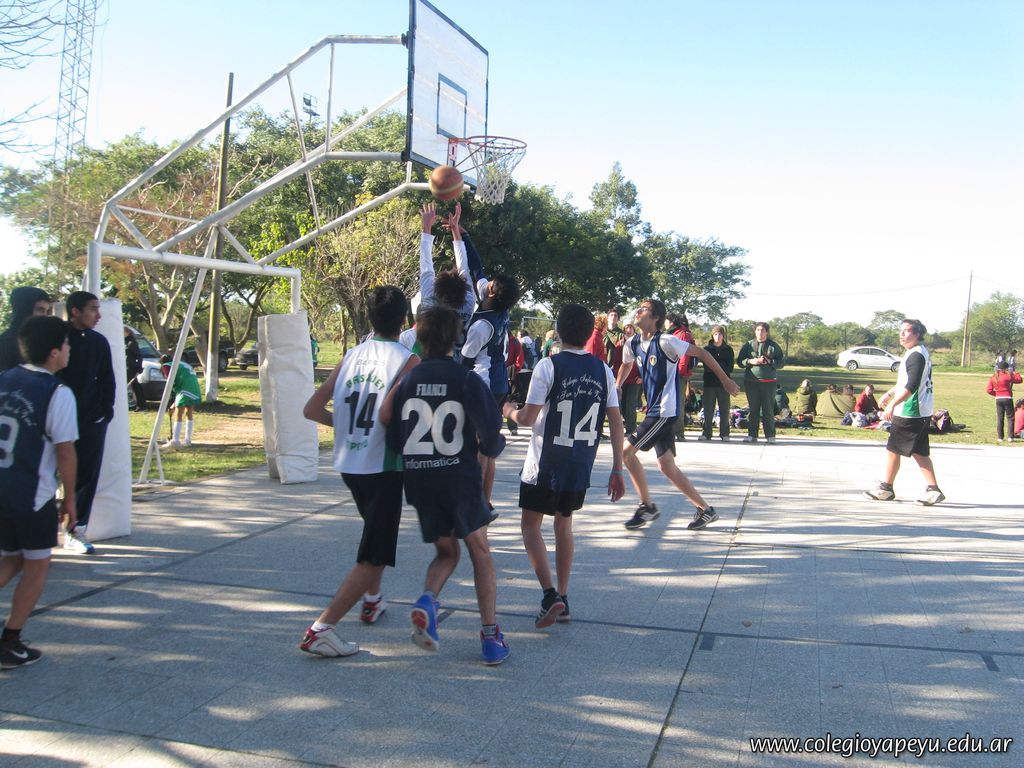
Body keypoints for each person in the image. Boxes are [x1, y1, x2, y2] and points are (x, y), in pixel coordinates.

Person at [383, 306, 510, 665]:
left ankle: (428, 600)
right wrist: (491, 449)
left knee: (446, 552)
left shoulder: (407, 381)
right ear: (456, 337)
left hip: (421, 481)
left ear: (420, 338)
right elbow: (490, 431)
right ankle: (490, 636)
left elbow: (394, 437)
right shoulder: (465, 379)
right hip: (459, 480)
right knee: (480, 552)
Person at [298, 286, 418, 659]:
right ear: (405, 320)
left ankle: (372, 599)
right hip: (383, 465)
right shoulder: (408, 360)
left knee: (374, 538)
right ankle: (322, 628)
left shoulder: (351, 355)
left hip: (349, 464)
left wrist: (347, 427)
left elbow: (312, 409)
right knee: (375, 554)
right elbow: (403, 417)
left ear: (369, 317)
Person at [503, 304, 625, 629]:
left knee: (530, 526)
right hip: (578, 463)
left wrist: (508, 411)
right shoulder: (603, 370)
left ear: (558, 330)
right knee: (564, 525)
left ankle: (549, 594)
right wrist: (617, 468)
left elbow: (528, 418)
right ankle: (564, 595)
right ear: (589, 334)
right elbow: (616, 422)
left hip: (545, 463)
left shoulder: (548, 366)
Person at [616, 299, 740, 531]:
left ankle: (647, 506)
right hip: (655, 410)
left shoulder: (666, 341)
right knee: (666, 465)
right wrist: (618, 385)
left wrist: (725, 380)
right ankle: (706, 510)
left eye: (643, 309)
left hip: (664, 411)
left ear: (655, 318)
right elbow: (626, 365)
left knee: (626, 452)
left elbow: (701, 353)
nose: (637, 311)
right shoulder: (632, 342)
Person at [0, 316, 78, 669]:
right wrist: (70, 498)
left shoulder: (4, 379)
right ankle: (10, 640)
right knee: (36, 564)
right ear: (54, 351)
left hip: (4, 487)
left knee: (11, 558)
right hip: (31, 495)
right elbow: (65, 452)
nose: (69, 349)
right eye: (67, 344)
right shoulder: (56, 393)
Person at [57, 291, 114, 556]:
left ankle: (76, 530)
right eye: (93, 309)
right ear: (75, 311)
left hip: (91, 419)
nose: (98, 315)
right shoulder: (58, 337)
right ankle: (39, 531)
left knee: (86, 475)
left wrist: (105, 413)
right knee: (47, 473)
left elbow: (107, 379)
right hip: (56, 420)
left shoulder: (99, 342)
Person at [864, 319, 945, 506]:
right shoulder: (918, 352)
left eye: (906, 331)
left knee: (893, 449)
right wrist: (890, 393)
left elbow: (912, 385)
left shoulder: (916, 355)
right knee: (918, 451)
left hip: (911, 411)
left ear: (917, 334)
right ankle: (933, 489)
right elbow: (906, 382)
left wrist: (893, 404)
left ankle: (886, 488)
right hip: (920, 410)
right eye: (900, 331)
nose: (901, 334)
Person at [737, 323, 784, 444]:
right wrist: (751, 361)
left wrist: (770, 361)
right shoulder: (748, 345)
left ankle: (770, 435)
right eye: (757, 330)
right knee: (753, 409)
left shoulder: (773, 346)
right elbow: (740, 361)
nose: (760, 332)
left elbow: (781, 362)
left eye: (762, 330)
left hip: (769, 383)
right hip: (751, 382)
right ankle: (752, 435)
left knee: (768, 410)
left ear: (767, 332)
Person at [0, 287, 51, 372]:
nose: (45, 316)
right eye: (40, 310)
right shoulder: (5, 343)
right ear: (24, 310)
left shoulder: (43, 340)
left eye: (47, 311)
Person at [698, 325, 734, 441]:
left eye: (720, 334)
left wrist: (716, 366)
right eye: (715, 334)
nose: (718, 337)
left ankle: (725, 433)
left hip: (724, 384)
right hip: (710, 383)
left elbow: (730, 367)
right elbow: (707, 366)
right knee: (708, 410)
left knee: (724, 409)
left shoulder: (728, 350)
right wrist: (719, 365)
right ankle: (706, 433)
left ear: (723, 336)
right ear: (712, 336)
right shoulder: (707, 349)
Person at [159, 355, 202, 449]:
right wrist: (174, 404)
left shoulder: (166, 365)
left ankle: (175, 440)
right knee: (189, 412)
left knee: (178, 414)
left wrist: (171, 402)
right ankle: (187, 440)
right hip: (194, 388)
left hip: (185, 388)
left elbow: (170, 382)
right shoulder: (182, 364)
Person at [667, 314, 695, 441]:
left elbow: (684, 355)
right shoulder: (675, 333)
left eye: (666, 321)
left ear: (671, 322)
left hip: (678, 373)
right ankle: (671, 430)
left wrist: (681, 371)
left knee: (678, 402)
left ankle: (678, 432)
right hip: (672, 372)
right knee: (671, 402)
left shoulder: (682, 334)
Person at [987, 361, 1022, 443]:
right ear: (1006, 368)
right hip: (1007, 398)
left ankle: (1000, 437)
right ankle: (1010, 437)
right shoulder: (1008, 375)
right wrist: (1015, 373)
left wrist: (996, 394)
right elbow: (1019, 380)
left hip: (998, 399)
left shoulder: (994, 377)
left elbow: (989, 390)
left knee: (1000, 418)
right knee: (1010, 418)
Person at [619, 323, 643, 434]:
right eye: (626, 328)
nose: (628, 330)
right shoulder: (620, 343)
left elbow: (644, 360)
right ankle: (626, 425)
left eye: (630, 328)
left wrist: (642, 376)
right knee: (623, 404)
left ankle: (631, 428)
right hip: (623, 379)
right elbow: (617, 361)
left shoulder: (639, 342)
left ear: (634, 329)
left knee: (631, 404)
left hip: (635, 378)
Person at [123, 326, 146, 411]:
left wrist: (138, 367)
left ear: (127, 332)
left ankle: (141, 405)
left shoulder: (132, 343)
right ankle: (140, 405)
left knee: (135, 385)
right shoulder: (124, 342)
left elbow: (139, 356)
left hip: (131, 368)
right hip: (125, 367)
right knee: (134, 385)